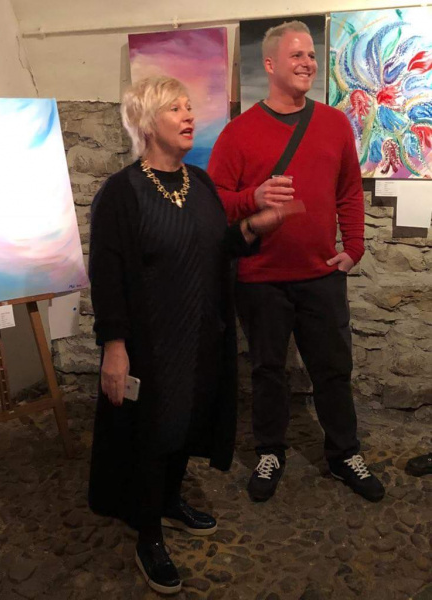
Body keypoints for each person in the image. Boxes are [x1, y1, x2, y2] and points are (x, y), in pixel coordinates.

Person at [88, 76, 304, 595]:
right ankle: (147, 534)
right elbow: (108, 276)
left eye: (189, 107)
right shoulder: (122, 193)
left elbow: (216, 247)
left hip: (202, 333)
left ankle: (169, 501)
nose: (189, 116)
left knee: (186, 424)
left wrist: (253, 228)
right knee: (153, 434)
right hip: (152, 343)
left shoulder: (200, 184)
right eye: (175, 109)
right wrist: (114, 347)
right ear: (147, 123)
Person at [208, 21, 385, 504]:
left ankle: (344, 453)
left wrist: (354, 247)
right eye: (296, 55)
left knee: (333, 371)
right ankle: (270, 451)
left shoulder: (334, 124)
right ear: (270, 65)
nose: (308, 62)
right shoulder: (239, 132)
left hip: (322, 274)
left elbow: (349, 190)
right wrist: (254, 197)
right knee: (268, 371)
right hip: (260, 279)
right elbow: (214, 199)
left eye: (310, 54)